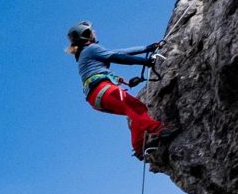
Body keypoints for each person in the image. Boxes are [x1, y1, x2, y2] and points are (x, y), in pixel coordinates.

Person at [69, 21, 171, 161]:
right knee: (132, 106)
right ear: (86, 34)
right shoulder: (91, 49)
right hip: (101, 89)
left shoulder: (85, 54)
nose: (95, 32)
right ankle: (159, 129)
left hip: (96, 97)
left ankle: (139, 148)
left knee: (136, 108)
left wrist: (146, 48)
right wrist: (144, 61)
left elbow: (119, 52)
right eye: (92, 31)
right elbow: (118, 57)